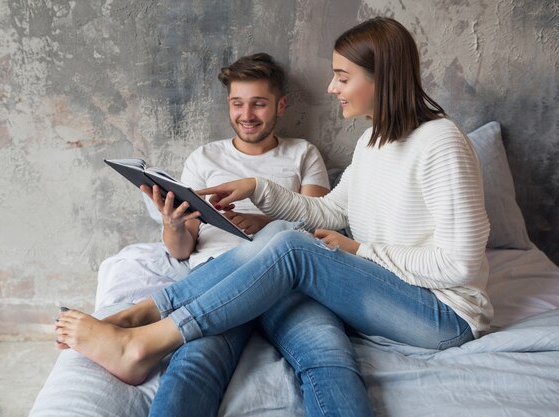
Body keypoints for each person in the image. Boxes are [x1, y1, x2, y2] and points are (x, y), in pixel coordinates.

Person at [55, 17, 493, 416]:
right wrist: (256, 189)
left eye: (342, 77)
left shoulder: (441, 141)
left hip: (443, 316)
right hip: (385, 292)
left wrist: (360, 249)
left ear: (383, 79)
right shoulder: (372, 144)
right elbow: (330, 210)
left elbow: (461, 265)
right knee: (284, 239)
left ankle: (146, 334)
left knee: (291, 246)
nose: (331, 88)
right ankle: (140, 320)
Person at [61, 53, 363, 417]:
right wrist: (172, 223)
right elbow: (181, 249)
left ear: (280, 105)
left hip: (291, 281)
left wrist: (265, 224)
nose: (247, 115)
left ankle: (138, 320)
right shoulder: (205, 158)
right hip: (219, 276)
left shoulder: (302, 154)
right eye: (237, 104)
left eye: (259, 104)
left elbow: (317, 224)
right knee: (193, 365)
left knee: (328, 354)